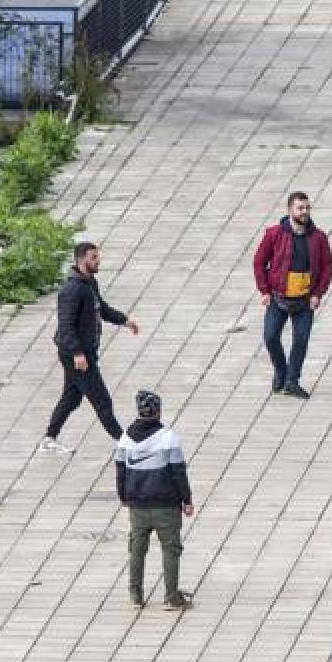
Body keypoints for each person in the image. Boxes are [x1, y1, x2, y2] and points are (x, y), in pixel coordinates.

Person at [42, 242, 139, 453]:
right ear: (81, 259)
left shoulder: (89, 283)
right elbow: (66, 325)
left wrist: (124, 321)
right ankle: (125, 442)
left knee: (71, 398)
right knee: (101, 400)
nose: (98, 261)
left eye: (98, 257)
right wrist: (77, 353)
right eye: (94, 258)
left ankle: (49, 438)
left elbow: (101, 309)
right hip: (76, 355)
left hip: (86, 352)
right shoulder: (72, 290)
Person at [115, 390, 194, 610]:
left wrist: (124, 496)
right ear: (158, 412)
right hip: (165, 505)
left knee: (137, 549)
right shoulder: (168, 437)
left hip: (137, 506)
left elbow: (120, 470)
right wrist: (186, 500)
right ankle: (172, 596)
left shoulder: (125, 438)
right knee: (171, 549)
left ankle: (136, 595)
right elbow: (178, 471)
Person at [252, 191, 332, 399]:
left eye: (307, 208)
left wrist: (318, 294)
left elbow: (327, 267)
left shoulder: (319, 237)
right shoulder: (274, 234)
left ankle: (292, 381)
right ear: (290, 210)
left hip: (304, 301)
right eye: (300, 208)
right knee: (271, 337)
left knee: (301, 339)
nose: (304, 211)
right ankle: (281, 371)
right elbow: (259, 262)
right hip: (278, 298)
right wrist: (264, 290)